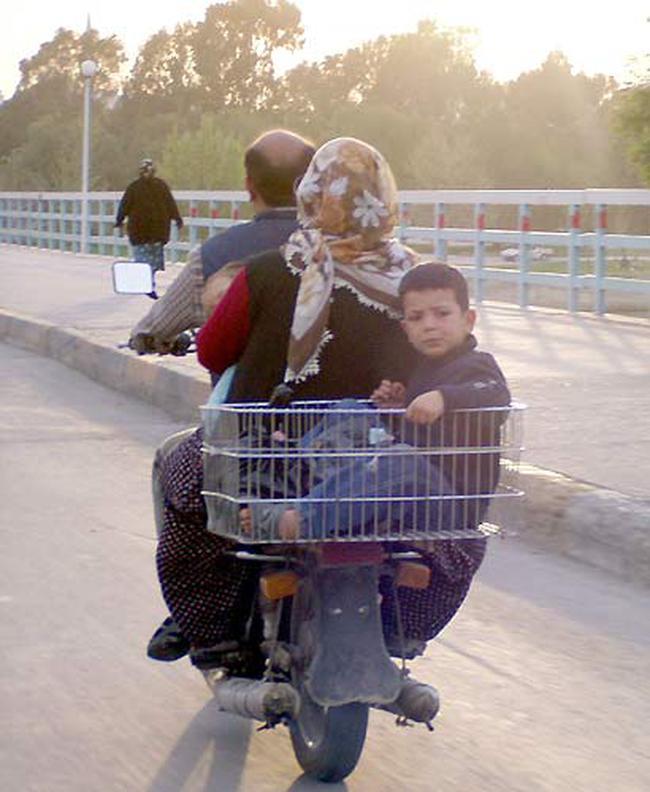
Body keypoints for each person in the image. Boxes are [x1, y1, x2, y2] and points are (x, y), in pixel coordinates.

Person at [154, 137, 420, 668]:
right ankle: (402, 625)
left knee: (186, 487)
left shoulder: (269, 270)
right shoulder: (415, 280)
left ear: (313, 196)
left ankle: (210, 631)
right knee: (443, 529)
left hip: (265, 450)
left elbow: (211, 348)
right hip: (377, 456)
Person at [237, 262, 510, 548]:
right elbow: (416, 432)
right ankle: (293, 477)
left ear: (468, 320)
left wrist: (444, 397)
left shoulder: (478, 365)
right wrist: (397, 410)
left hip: (448, 505)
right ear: (405, 327)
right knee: (351, 410)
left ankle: (301, 520)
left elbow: (495, 394)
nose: (429, 325)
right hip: (403, 491)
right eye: (417, 317)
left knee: (401, 460)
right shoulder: (422, 369)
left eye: (442, 314)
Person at [128, 131, 316, 359]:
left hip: (248, 393)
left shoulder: (212, 256)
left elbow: (153, 330)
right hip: (351, 393)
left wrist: (146, 340)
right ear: (314, 183)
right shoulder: (353, 249)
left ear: (249, 186)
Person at [115, 159, 183, 296]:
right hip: (156, 231)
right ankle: (147, 284)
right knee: (150, 260)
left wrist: (119, 221)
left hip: (141, 231)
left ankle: (146, 284)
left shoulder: (134, 187)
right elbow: (170, 204)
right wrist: (177, 218)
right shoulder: (160, 186)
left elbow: (124, 206)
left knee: (143, 259)